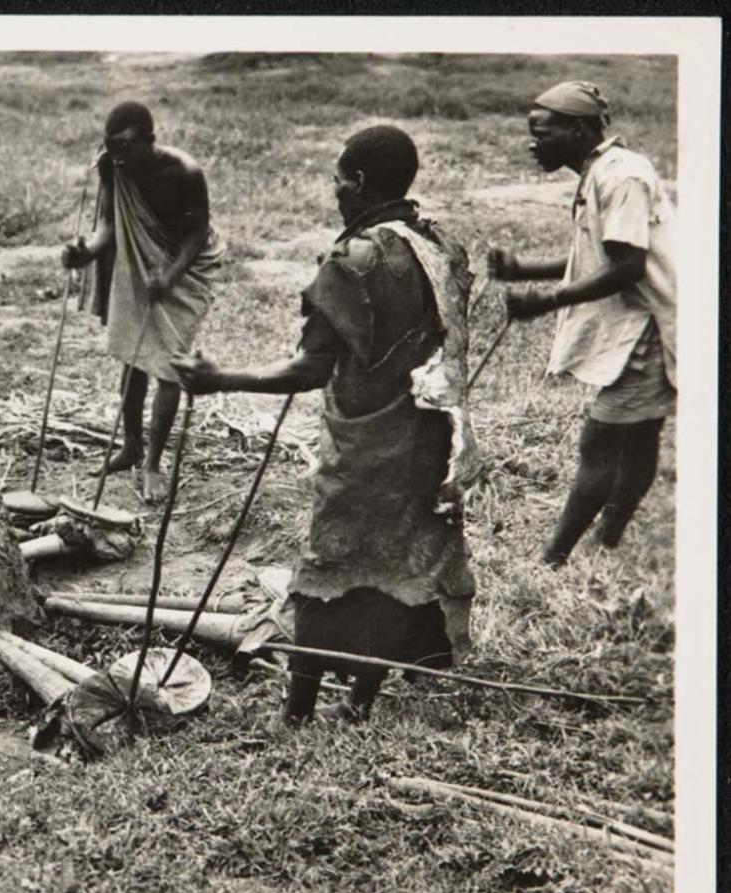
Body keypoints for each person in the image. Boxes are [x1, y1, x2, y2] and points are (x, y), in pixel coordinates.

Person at [171, 125, 482, 725]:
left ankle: (298, 711)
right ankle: (360, 700)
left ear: (360, 183)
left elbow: (311, 368)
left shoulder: (356, 260)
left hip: (366, 442)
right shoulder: (436, 245)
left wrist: (220, 378)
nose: (335, 191)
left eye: (339, 180)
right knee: (396, 563)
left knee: (330, 565)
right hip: (426, 438)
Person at [487, 81, 676, 567]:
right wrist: (522, 269)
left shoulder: (622, 176)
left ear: (577, 128)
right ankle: (607, 536)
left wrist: (547, 299)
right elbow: (597, 255)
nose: (533, 143)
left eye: (541, 132)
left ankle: (553, 557)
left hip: (650, 326)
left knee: (603, 440)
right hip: (643, 323)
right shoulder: (599, 172)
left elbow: (628, 266)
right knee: (637, 438)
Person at [62, 101, 225, 502]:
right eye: (110, 148)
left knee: (168, 363)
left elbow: (198, 232)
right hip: (137, 263)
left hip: (186, 266)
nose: (117, 159)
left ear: (150, 142)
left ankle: (152, 464)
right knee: (133, 359)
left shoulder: (183, 171)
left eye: (125, 149)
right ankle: (131, 446)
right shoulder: (111, 166)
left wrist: (169, 277)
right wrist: (88, 253)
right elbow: (109, 225)